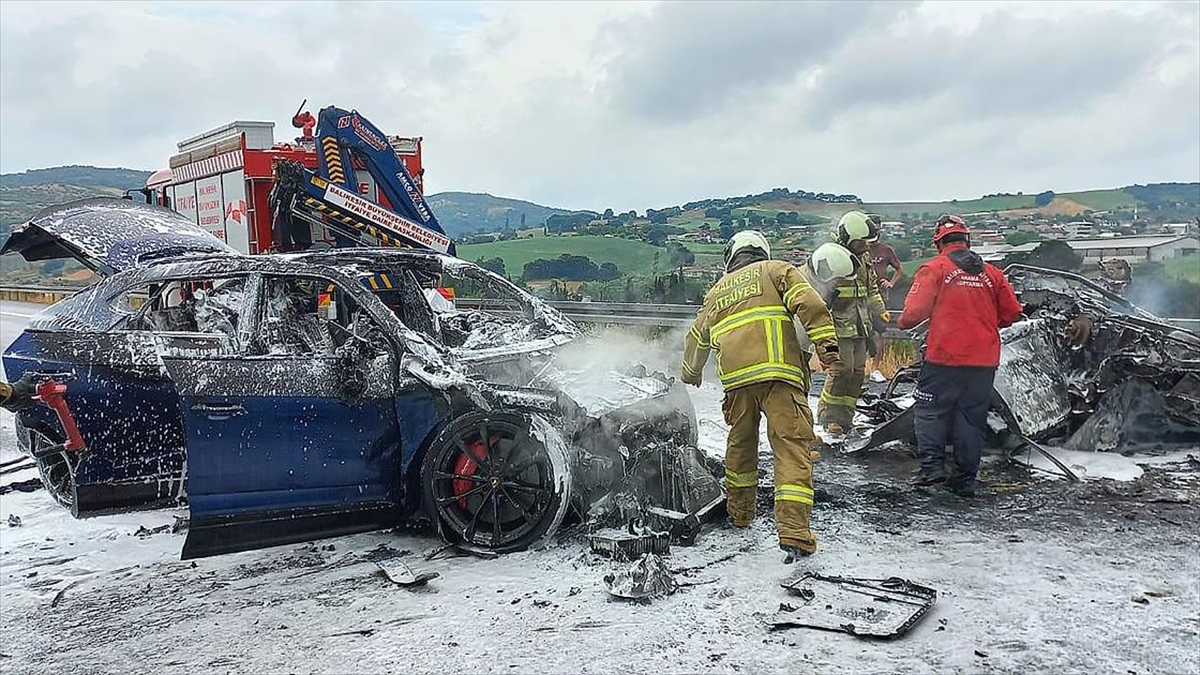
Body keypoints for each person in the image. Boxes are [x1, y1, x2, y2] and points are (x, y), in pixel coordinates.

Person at [681, 230, 840, 563]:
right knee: (791, 449)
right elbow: (809, 303)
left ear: (731, 257)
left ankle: (740, 514)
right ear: (761, 251)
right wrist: (826, 345)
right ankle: (795, 533)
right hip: (780, 377)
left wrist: (691, 372)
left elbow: (697, 336)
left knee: (740, 449)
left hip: (738, 384)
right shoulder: (776, 270)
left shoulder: (717, 291)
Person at [897, 214, 1024, 496]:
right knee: (971, 417)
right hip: (983, 361)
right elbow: (1013, 313)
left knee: (931, 412)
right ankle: (965, 479)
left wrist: (902, 322)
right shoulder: (992, 273)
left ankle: (932, 471)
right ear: (967, 240)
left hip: (944, 358)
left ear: (939, 243)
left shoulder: (935, 268)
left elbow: (911, 316)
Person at [817, 211, 889, 436]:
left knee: (857, 372)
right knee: (841, 371)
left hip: (861, 326)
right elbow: (819, 295)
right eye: (863, 242)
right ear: (850, 237)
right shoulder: (831, 256)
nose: (867, 247)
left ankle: (845, 418)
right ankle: (828, 417)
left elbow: (872, 289)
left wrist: (880, 311)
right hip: (838, 328)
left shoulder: (864, 257)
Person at [866, 215, 904, 359]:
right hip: (860, 296)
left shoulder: (886, 250)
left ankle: (876, 368)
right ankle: (862, 367)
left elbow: (899, 269)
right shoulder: (859, 249)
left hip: (880, 297)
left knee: (878, 332)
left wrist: (891, 283)